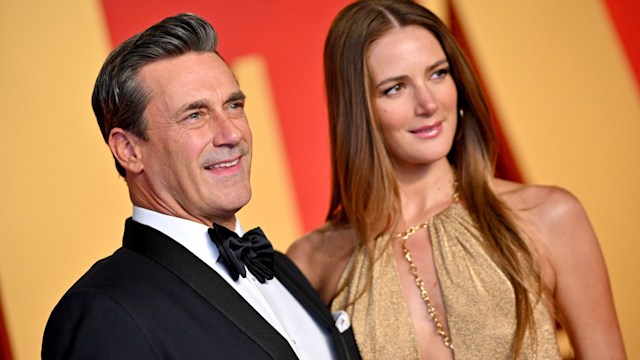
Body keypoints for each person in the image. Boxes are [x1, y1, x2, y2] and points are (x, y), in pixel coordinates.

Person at [287, 1, 626, 359]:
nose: (428, 103)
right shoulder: (314, 263)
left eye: (437, 73)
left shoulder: (549, 216)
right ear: (357, 111)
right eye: (395, 88)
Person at [42, 13, 360, 360]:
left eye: (233, 106)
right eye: (195, 115)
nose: (231, 134)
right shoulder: (104, 313)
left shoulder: (279, 268)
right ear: (129, 150)